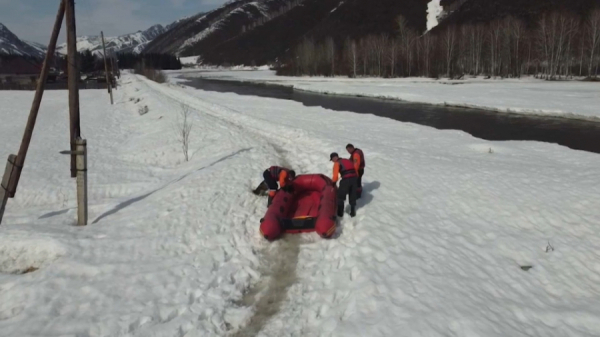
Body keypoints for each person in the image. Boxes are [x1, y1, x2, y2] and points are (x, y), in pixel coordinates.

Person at [330, 152, 358, 217]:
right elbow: (355, 168)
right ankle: (352, 211)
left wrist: (333, 183)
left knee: (340, 196)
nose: (332, 161)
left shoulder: (337, 163)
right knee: (352, 194)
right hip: (354, 178)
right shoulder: (347, 160)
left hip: (346, 180)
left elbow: (335, 176)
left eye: (332, 160)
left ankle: (340, 213)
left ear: (334, 158)